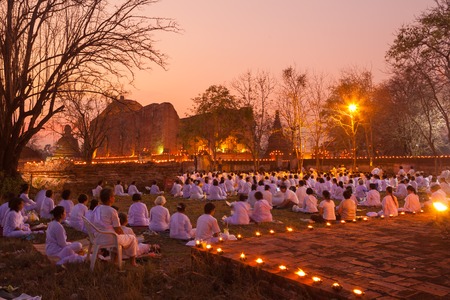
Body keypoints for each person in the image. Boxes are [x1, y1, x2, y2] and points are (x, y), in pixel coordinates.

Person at [93, 188, 138, 266]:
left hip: (97, 236)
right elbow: (117, 229)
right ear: (110, 198)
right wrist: (124, 235)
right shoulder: (112, 211)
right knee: (132, 238)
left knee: (118, 238)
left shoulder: (97, 208)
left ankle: (115, 260)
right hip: (108, 238)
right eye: (113, 196)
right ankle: (133, 262)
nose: (114, 197)